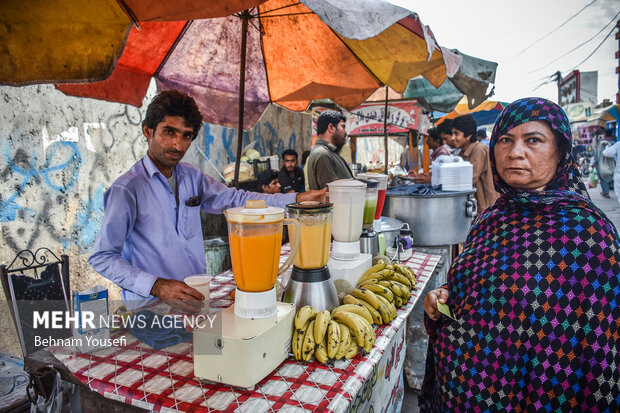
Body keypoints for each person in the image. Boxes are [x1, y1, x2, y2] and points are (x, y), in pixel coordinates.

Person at [420, 97, 620, 412]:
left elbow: (598, 345)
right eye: (505, 140)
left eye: (533, 140)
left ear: (560, 150)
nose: (515, 152)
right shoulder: (491, 219)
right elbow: (479, 293)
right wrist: (444, 298)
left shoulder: (589, 233)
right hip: (467, 392)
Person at [89, 90, 326, 309]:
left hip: (196, 300)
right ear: (148, 131)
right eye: (169, 132)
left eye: (186, 136)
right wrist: (157, 285)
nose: (177, 145)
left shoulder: (192, 177)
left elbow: (237, 199)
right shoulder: (127, 189)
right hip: (152, 309)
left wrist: (297, 198)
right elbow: (103, 257)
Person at [452, 114, 498, 212]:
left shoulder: (479, 149)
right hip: (475, 207)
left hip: (486, 207)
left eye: (456, 133)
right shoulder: (462, 153)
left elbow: (469, 179)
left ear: (468, 135)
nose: (452, 138)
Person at [305, 110, 353, 190]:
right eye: (343, 127)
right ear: (331, 128)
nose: (345, 132)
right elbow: (331, 194)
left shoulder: (330, 152)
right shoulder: (322, 154)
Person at [597, 129, 616, 198]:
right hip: (611, 163)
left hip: (601, 163)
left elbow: (597, 154)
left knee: (602, 177)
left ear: (604, 135)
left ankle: (606, 192)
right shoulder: (614, 143)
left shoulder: (601, 143)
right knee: (609, 176)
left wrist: (595, 162)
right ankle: (605, 191)